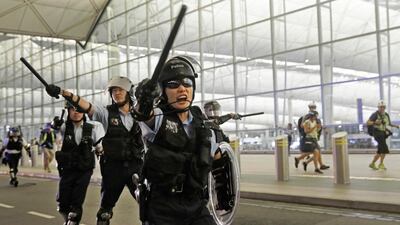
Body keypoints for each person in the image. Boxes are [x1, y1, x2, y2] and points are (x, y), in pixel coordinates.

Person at [44, 76, 144, 225]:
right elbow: (85, 106)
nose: (116, 93)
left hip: (136, 166)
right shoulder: (105, 113)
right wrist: (62, 92)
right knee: (104, 214)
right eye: (113, 91)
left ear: (129, 93)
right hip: (112, 169)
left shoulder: (141, 114)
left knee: (149, 205)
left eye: (120, 90)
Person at [133, 56, 217, 225]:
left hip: (196, 205)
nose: (182, 89)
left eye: (187, 83)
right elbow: (143, 114)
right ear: (163, 91)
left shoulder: (202, 125)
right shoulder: (157, 118)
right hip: (163, 208)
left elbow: (216, 159)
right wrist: (144, 100)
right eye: (173, 84)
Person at [52, 102, 105, 225]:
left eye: (79, 110)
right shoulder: (63, 128)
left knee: (76, 202)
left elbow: (100, 148)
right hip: (67, 169)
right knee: (62, 204)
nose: (76, 113)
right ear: (68, 111)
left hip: (84, 169)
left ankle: (73, 221)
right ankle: (68, 220)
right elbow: (54, 131)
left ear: (84, 112)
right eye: (73, 110)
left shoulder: (93, 128)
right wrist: (54, 124)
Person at [367, 100, 398, 170]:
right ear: (378, 107)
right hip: (377, 133)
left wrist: (396, 126)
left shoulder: (386, 115)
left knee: (380, 150)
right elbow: (368, 122)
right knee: (384, 148)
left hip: (383, 133)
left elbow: (389, 124)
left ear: (385, 107)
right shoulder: (375, 114)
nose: (382, 108)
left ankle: (372, 163)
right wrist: (375, 122)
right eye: (380, 107)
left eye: (383, 107)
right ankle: (381, 164)